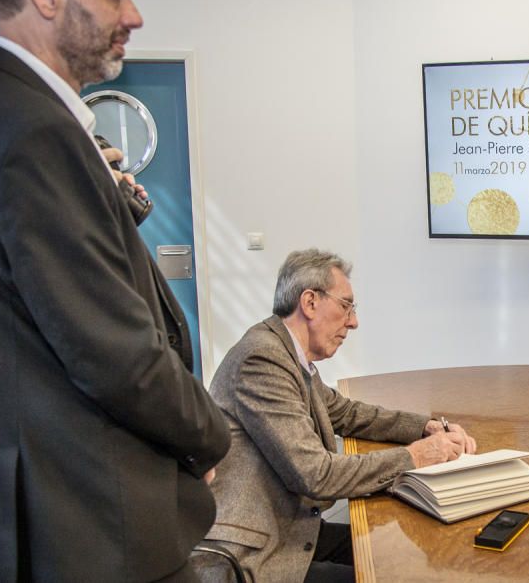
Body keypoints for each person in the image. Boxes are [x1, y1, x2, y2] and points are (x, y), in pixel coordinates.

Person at [0, 0, 230, 581]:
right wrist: (210, 432)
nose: (134, 14)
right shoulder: (31, 131)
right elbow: (113, 355)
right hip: (91, 526)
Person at [203, 249, 476, 583]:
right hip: (253, 555)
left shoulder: (286, 353)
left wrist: (424, 426)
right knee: (392, 572)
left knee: (397, 555)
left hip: (284, 531)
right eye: (346, 305)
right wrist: (416, 456)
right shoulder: (263, 359)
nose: (354, 321)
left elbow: (346, 412)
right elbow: (316, 475)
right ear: (310, 302)